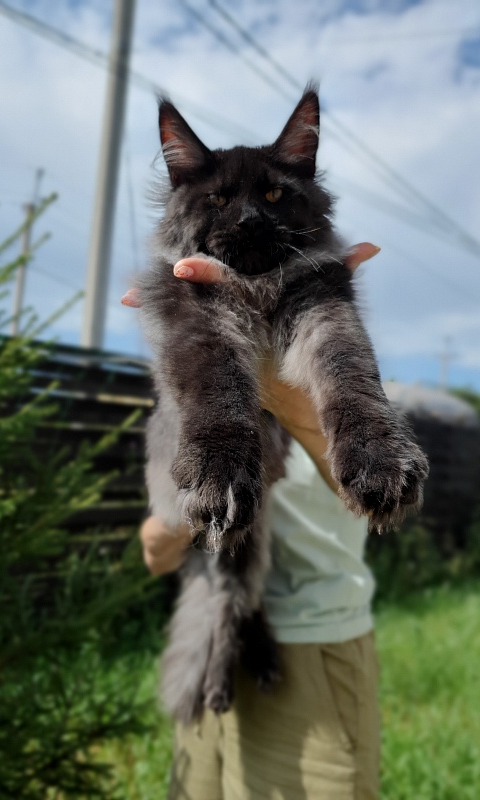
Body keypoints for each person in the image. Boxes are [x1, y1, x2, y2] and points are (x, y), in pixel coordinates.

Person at [128, 244, 382, 800]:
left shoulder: (334, 365)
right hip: (208, 646)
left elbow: (371, 489)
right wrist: (189, 513)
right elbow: (155, 552)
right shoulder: (190, 385)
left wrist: (275, 390)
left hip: (307, 655)